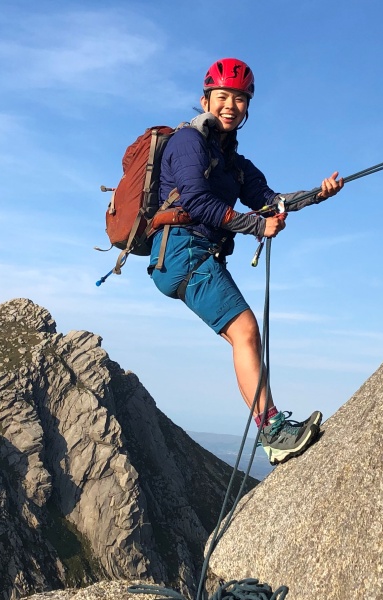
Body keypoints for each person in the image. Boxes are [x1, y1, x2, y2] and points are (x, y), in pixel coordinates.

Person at [149, 57, 343, 465]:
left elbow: (272, 201)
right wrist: (256, 227)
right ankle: (271, 431)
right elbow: (197, 201)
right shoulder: (189, 142)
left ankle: (271, 427)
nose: (231, 106)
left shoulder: (235, 163)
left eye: (240, 99)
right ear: (205, 100)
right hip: (182, 251)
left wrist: (318, 194)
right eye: (222, 97)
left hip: (197, 256)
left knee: (245, 338)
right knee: (246, 330)